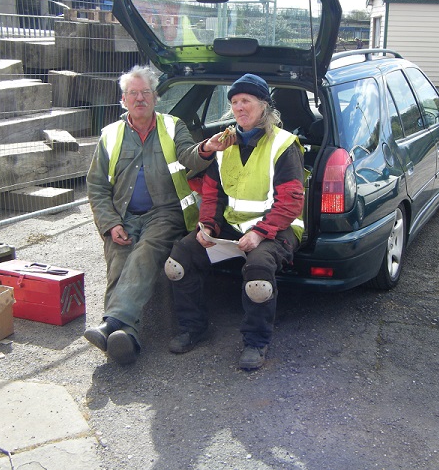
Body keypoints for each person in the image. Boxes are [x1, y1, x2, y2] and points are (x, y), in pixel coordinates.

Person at [84, 65, 230, 365]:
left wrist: (206, 148)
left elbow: (189, 154)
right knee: (119, 260)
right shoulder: (110, 136)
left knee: (145, 252)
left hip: (165, 213)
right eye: (133, 94)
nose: (140, 99)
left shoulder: (172, 125)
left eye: (146, 93)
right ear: (123, 100)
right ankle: (125, 337)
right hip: (123, 216)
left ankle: (111, 323)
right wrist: (110, 224)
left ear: (155, 98)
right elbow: (96, 186)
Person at [163, 74, 305, 370]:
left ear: (263, 105)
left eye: (246, 101)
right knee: (179, 260)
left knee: (258, 275)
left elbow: (290, 201)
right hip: (232, 225)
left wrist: (259, 234)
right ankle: (193, 328)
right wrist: (207, 226)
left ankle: (256, 342)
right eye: (235, 101)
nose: (240, 107)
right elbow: (213, 193)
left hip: (277, 227)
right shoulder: (225, 142)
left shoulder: (283, 144)